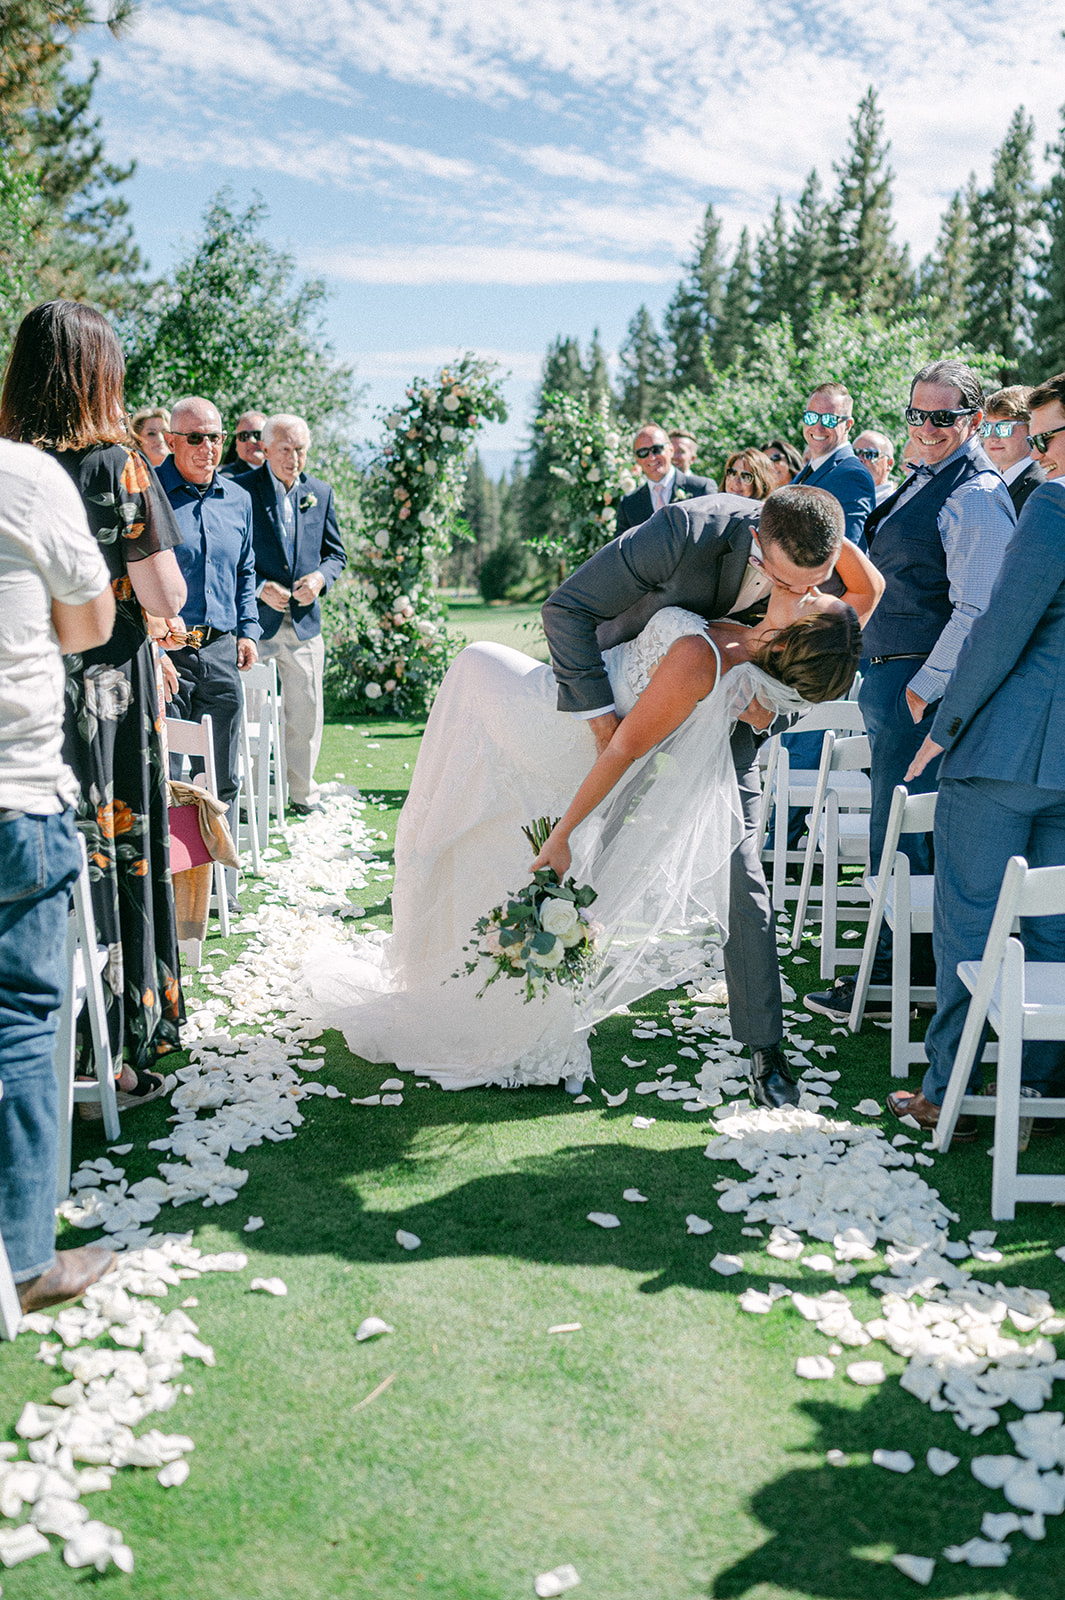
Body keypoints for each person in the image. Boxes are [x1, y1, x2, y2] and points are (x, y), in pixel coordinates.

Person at [302, 571, 864, 1092]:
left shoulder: (707, 659)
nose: (815, 585)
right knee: (485, 833)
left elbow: (623, 745)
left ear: (794, 638)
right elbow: (867, 589)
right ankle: (467, 982)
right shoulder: (746, 642)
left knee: (472, 662)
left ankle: (483, 993)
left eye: (816, 599)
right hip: (579, 710)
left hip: (566, 727)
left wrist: (566, 832)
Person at [542, 486, 883, 1106]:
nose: (800, 597)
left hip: (731, 721)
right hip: (634, 701)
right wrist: (603, 726)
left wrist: (763, 714)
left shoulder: (811, 583)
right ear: (758, 539)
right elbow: (566, 610)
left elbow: (864, 594)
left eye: (814, 584)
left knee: (743, 874)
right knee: (590, 844)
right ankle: (535, 985)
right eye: (785, 582)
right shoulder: (684, 531)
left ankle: (765, 1048)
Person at [0, 302, 188, 1090]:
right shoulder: (118, 466)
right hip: (108, 694)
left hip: (28, 696)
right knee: (121, 858)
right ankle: (115, 1051)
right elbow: (167, 592)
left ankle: (52, 1049)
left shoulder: (10, 468)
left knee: (59, 860)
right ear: (97, 377)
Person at [805, 359, 1016, 1024]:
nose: (924, 427)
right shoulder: (930, 477)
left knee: (902, 838)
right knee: (893, 836)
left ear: (973, 420)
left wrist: (922, 690)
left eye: (942, 417)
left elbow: (979, 608)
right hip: (890, 674)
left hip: (916, 684)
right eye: (915, 413)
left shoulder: (975, 493)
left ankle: (902, 979)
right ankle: (901, 973)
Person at [889, 451, 1065, 1135]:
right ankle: (1038, 1091)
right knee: (1054, 927)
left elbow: (998, 629)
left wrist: (946, 723)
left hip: (1005, 751)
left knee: (971, 922)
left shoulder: (1053, 505)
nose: (1042, 450)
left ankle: (947, 1095)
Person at [0, 435, 119, 1311]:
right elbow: (90, 623)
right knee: (27, 1019)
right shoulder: (25, 476)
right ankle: (25, 1257)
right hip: (12, 792)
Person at [158, 397, 260, 841]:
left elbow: (246, 570)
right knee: (169, 777)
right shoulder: (148, 493)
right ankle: (176, 891)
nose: (208, 448)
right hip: (166, 652)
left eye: (215, 437)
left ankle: (223, 885)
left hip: (220, 651)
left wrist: (249, 630)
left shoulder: (238, 499)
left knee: (221, 775)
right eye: (195, 438)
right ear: (171, 441)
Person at [237, 413, 347, 815]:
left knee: (305, 711)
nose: (294, 458)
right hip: (256, 624)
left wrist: (319, 579)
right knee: (250, 714)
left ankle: (301, 795)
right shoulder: (240, 491)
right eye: (285, 449)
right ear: (264, 448)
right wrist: (259, 588)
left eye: (300, 449)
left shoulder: (320, 491)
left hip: (304, 624)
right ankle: (250, 799)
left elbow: (336, 555)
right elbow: (230, 556)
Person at [792, 383, 875, 549]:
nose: (818, 427)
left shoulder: (852, 476)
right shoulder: (811, 468)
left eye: (829, 420)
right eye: (811, 417)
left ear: (848, 425)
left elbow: (846, 550)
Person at [615, 423, 716, 533]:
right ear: (636, 458)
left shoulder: (701, 489)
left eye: (657, 449)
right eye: (643, 452)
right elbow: (621, 548)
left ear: (671, 450)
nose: (652, 457)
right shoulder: (629, 503)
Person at [979, 386, 1045, 515]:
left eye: (1004, 428)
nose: (992, 437)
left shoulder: (1040, 487)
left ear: (1031, 429)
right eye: (987, 428)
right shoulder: (988, 483)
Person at [219, 410, 267, 479]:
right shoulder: (229, 479)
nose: (251, 440)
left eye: (258, 435)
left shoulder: (281, 473)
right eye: (244, 436)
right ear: (236, 443)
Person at [853, 430, 898, 503]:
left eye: (870, 454)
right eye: (855, 453)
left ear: (889, 464)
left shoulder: (895, 503)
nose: (860, 459)